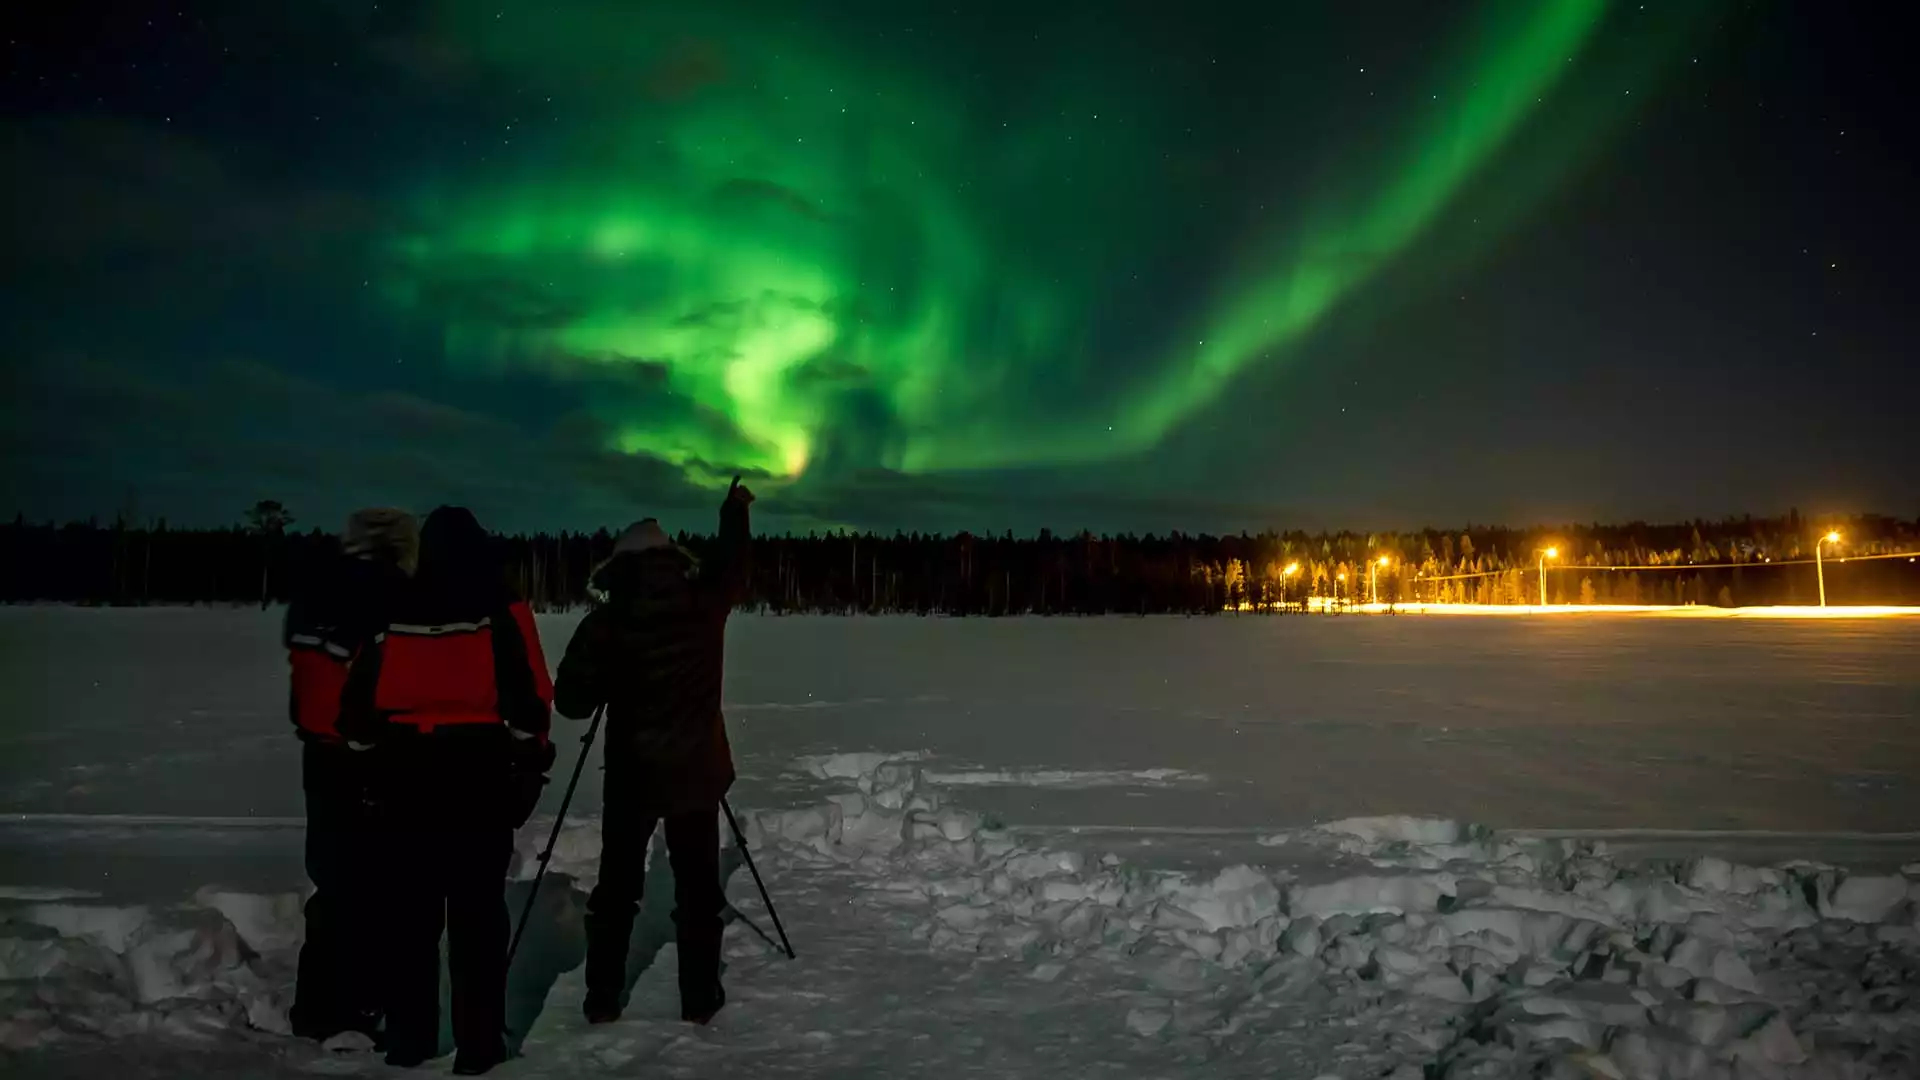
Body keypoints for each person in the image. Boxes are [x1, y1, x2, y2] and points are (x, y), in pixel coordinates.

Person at [340, 506, 553, 1075]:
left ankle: (410, 1039)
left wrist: (368, 765)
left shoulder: (390, 609)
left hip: (404, 779)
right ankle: (479, 1046)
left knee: (410, 918)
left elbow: (356, 712)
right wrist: (529, 758)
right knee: (477, 918)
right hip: (476, 778)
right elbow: (527, 704)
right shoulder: (493, 611)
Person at [553, 478, 754, 1026]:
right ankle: (700, 999)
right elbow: (733, 566)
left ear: (619, 568)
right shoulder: (703, 604)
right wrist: (734, 510)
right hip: (696, 773)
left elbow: (570, 702)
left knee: (617, 892)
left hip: (633, 775)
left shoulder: (606, 623)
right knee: (697, 892)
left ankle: (601, 999)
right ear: (669, 558)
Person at [283, 507, 417, 1043]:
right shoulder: (390, 595)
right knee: (377, 882)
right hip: (369, 750)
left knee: (334, 881)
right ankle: (361, 1005)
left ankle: (316, 1006)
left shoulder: (316, 591)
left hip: (319, 750)